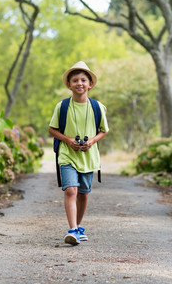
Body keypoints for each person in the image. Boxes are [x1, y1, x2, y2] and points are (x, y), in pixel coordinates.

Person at [48, 61, 109, 246]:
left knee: (83, 193)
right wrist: (67, 140)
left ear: (90, 84)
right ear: (69, 85)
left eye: (83, 80)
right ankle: (73, 230)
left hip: (88, 156)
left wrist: (92, 141)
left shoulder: (98, 107)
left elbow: (104, 130)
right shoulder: (62, 106)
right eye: (75, 80)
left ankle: (79, 226)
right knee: (70, 190)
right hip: (67, 154)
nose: (79, 83)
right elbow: (52, 129)